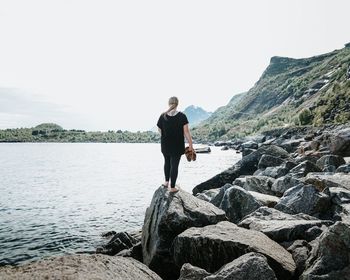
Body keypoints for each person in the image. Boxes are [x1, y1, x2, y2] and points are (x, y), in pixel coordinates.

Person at [157, 96, 194, 193]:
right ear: (177, 104)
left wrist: (166, 137)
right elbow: (186, 132)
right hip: (177, 144)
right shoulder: (182, 116)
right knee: (174, 165)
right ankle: (172, 187)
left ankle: (166, 182)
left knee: (167, 162)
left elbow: (159, 130)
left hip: (165, 144)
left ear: (168, 103)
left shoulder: (162, 116)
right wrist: (190, 144)